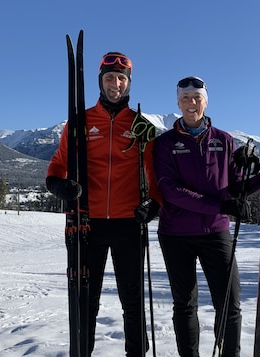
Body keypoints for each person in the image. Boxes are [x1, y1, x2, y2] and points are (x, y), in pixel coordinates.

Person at [152, 76, 260, 357]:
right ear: (178, 103)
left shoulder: (224, 140)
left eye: (197, 98)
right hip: (176, 233)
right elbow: (170, 191)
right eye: (185, 98)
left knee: (230, 304)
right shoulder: (165, 143)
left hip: (215, 232)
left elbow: (234, 186)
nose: (191, 103)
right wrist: (220, 207)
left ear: (205, 102)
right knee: (185, 304)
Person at [46, 52, 161, 357]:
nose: (116, 83)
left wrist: (155, 204)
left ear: (129, 84)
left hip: (128, 224)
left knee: (132, 301)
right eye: (110, 78)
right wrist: (58, 184)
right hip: (87, 223)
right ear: (100, 81)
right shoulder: (79, 122)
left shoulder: (142, 127)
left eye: (122, 78)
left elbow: (154, 174)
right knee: (86, 300)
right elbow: (59, 163)